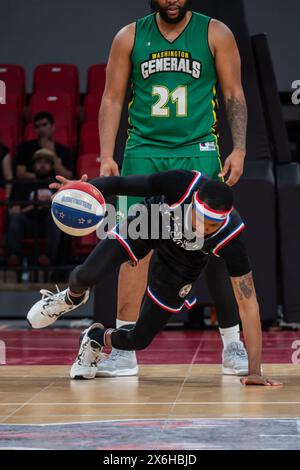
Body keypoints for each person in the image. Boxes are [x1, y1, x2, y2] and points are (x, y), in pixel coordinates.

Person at [97, 0, 248, 376]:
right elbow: (113, 97)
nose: (173, 0)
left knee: (213, 246)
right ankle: (124, 349)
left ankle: (232, 344)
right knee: (134, 248)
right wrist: (105, 155)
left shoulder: (216, 33)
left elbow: (233, 95)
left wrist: (240, 148)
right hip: (143, 151)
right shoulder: (128, 36)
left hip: (198, 150)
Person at [27, 170, 281, 387]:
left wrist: (255, 372)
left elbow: (248, 305)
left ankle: (94, 338)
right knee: (87, 274)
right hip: (149, 224)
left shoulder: (231, 236)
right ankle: (71, 297)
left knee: (139, 339)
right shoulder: (181, 184)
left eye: (212, 225)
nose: (203, 228)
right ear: (194, 202)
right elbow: (120, 184)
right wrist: (82, 188)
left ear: (224, 220)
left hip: (182, 262)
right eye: (201, 218)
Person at [7, 149, 61, 267]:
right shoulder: (22, 184)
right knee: (16, 218)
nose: (42, 165)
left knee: (56, 218)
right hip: (28, 224)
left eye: (46, 162)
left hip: (47, 223)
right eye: (39, 162)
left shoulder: (57, 185)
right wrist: (34, 207)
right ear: (33, 165)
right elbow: (14, 209)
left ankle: (47, 257)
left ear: (52, 166)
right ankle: (15, 256)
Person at [15, 112, 73, 180]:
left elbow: (68, 177)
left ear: (53, 127)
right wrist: (42, 178)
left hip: (55, 187)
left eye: (44, 125)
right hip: (31, 187)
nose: (41, 129)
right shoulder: (25, 148)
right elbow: (20, 174)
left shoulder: (63, 150)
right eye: (37, 126)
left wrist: (52, 153)